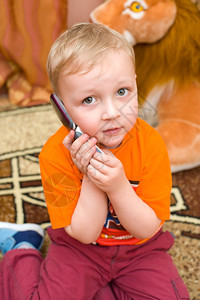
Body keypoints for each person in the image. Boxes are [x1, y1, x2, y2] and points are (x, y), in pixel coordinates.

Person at [0, 23, 189, 300]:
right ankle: (22, 249)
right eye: (89, 99)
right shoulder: (55, 154)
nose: (111, 112)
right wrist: (90, 174)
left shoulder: (151, 144)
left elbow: (148, 228)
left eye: (122, 92)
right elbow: (84, 234)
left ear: (136, 83)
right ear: (61, 108)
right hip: (80, 250)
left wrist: (119, 187)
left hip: (140, 250)